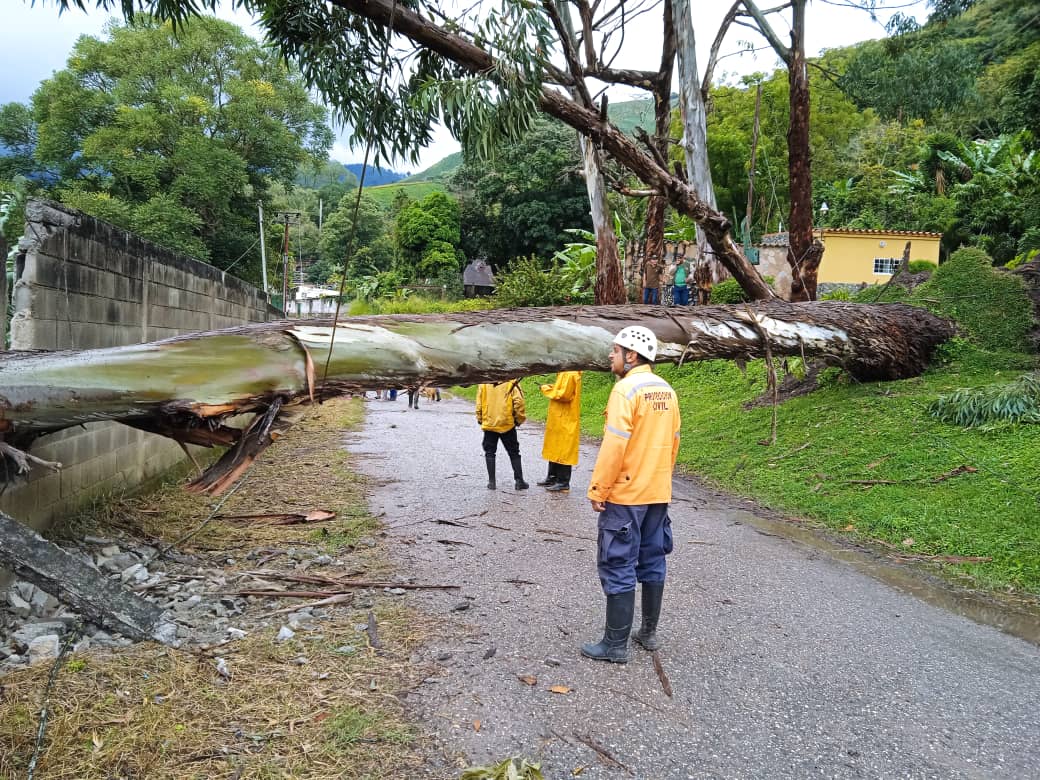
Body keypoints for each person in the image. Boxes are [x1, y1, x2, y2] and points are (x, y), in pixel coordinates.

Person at [581, 326, 681, 664]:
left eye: (615, 350)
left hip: (626, 495)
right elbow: (675, 440)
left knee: (618, 561)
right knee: (653, 558)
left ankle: (614, 645)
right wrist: (662, 479)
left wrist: (599, 488)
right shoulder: (667, 390)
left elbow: (614, 445)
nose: (611, 355)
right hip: (657, 492)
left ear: (632, 355)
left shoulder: (626, 390)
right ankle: (648, 633)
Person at [475, 379, 529, 491]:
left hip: (489, 423)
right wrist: (519, 419)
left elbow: (479, 403)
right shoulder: (512, 380)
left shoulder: (484, 381)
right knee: (514, 452)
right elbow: (519, 402)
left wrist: (480, 418)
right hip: (507, 423)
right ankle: (519, 481)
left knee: (489, 452)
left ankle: (492, 482)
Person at [536, 371, 582, 493]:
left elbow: (564, 395)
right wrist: (552, 387)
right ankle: (552, 477)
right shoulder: (564, 372)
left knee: (564, 450)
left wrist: (546, 389)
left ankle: (563, 482)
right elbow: (560, 389)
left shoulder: (571, 374)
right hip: (558, 417)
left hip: (566, 419)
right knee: (554, 447)